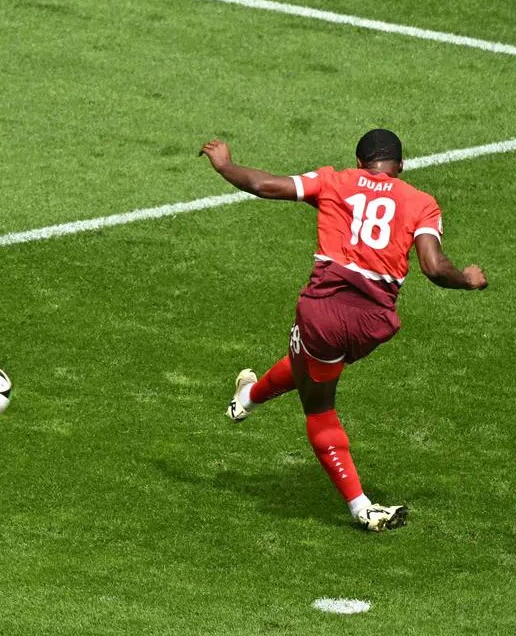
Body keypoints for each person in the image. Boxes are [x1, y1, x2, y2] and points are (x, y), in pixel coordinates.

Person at [200, 129, 487, 531]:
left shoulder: (336, 181)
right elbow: (435, 269)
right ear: (400, 166)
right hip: (374, 323)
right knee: (314, 364)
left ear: (359, 162)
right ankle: (246, 398)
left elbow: (265, 185)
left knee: (319, 404)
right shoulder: (422, 203)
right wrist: (469, 279)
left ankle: (361, 508)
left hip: (323, 314)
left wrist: (226, 164)